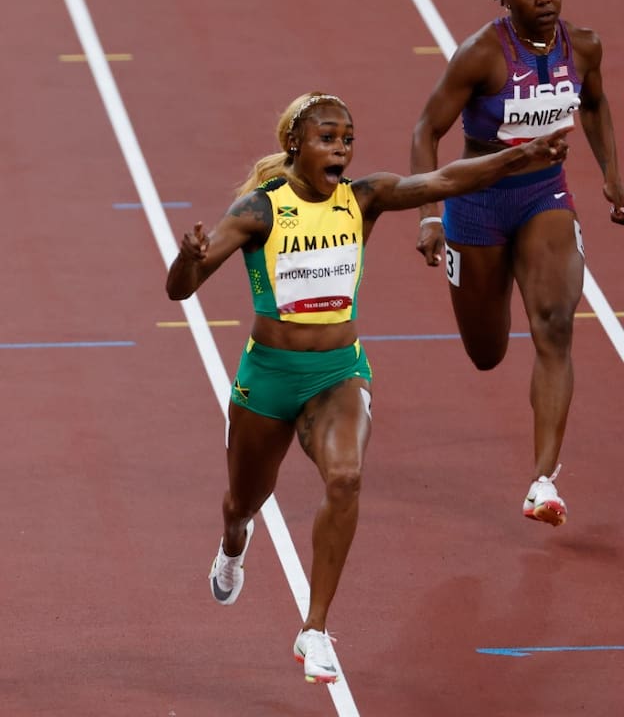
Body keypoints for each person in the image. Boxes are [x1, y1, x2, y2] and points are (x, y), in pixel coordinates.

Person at [166, 92, 569, 683]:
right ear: (296, 145)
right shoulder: (259, 210)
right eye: (328, 138)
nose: (341, 149)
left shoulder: (365, 198)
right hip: (269, 379)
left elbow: (446, 179)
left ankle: (315, 629)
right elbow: (181, 290)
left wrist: (523, 156)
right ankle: (233, 543)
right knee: (242, 501)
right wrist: (187, 259)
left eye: (348, 139)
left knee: (347, 475)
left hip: (339, 373)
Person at [411, 0, 623, 528]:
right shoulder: (481, 55)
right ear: (505, 0)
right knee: (487, 352)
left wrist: (612, 173)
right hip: (476, 203)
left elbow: (597, 106)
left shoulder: (584, 46)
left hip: (543, 196)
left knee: (555, 323)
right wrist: (431, 213)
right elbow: (426, 131)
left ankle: (543, 480)